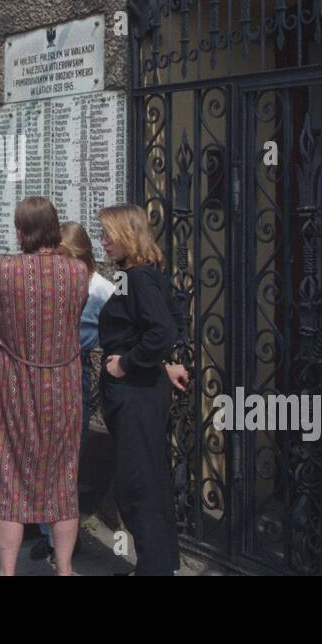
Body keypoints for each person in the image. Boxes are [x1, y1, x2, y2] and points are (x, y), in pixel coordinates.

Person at [0, 196, 89, 576]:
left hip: (14, 379)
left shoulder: (4, 268)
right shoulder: (77, 272)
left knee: (10, 472)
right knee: (62, 476)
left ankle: (7, 572)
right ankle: (65, 569)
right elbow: (75, 314)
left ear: (21, 231)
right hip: (63, 381)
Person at [97, 203, 189, 576]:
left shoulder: (139, 279)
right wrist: (160, 366)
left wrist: (127, 363)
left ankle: (154, 569)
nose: (102, 241)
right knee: (144, 480)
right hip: (139, 392)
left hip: (136, 396)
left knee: (138, 487)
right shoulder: (135, 275)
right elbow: (153, 327)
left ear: (126, 235)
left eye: (107, 234)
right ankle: (156, 566)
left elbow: (163, 331)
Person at [33, 221, 117, 562]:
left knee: (66, 458)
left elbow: (114, 335)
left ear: (81, 257)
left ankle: (67, 537)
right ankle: (47, 531)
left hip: (77, 371)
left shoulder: (101, 290)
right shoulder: (51, 283)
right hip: (45, 370)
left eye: (65, 257)